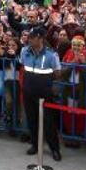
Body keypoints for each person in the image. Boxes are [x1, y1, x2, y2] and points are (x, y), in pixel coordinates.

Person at [19, 26, 62, 162]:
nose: (29, 40)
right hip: (28, 92)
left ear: (40, 38)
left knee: (48, 122)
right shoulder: (24, 51)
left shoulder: (51, 55)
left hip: (45, 94)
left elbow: (57, 73)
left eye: (32, 37)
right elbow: (22, 67)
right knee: (32, 120)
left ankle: (54, 148)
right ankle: (35, 144)